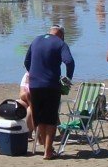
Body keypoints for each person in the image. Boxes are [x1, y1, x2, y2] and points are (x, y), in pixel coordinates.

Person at [22, 25, 75, 159]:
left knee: (39, 116)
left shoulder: (36, 40)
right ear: (62, 35)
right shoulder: (60, 43)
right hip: (51, 84)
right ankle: (48, 151)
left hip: (34, 85)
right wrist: (68, 78)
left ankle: (45, 146)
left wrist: (33, 73)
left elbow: (26, 61)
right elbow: (69, 61)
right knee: (51, 117)